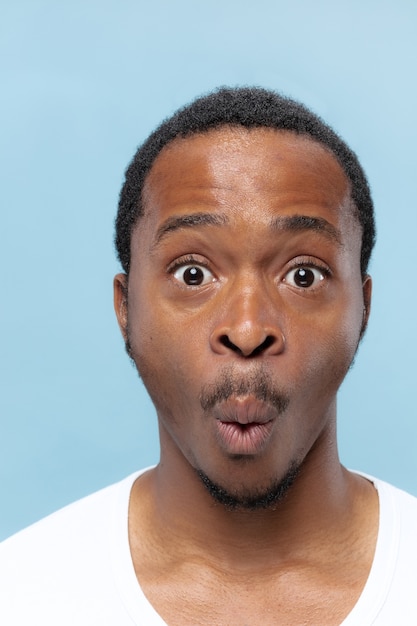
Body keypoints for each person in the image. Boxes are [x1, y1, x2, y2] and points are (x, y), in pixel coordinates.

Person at [1, 87, 416, 625]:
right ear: (126, 308)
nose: (247, 330)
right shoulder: (20, 594)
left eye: (303, 275)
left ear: (362, 309)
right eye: (192, 274)